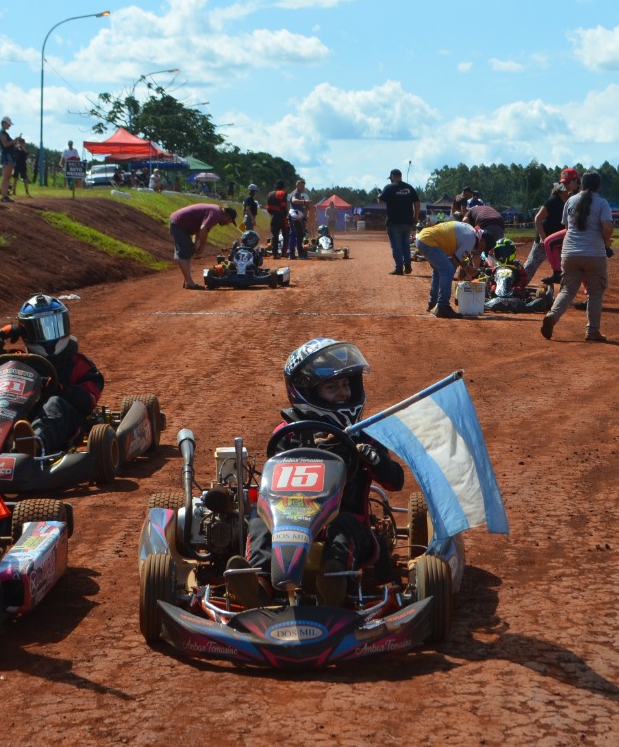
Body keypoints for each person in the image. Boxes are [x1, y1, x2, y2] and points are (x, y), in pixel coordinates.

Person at [229, 338, 404, 609]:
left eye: (346, 385)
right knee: (261, 521)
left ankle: (333, 584)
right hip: (290, 519)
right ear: (306, 393)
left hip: (348, 522)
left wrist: (373, 459)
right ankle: (259, 584)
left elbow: (395, 481)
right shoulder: (286, 434)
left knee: (342, 529)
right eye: (332, 387)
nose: (343, 394)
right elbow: (272, 485)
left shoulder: (363, 435)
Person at [0, 294, 105, 456]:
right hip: (18, 415)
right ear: (26, 333)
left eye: (54, 327)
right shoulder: (17, 359)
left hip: (61, 422)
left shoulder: (77, 364)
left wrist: (61, 389)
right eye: (40, 329)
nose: (48, 337)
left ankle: (35, 445)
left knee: (55, 403)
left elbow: (87, 401)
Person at [540, 172, 613, 343]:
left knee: (567, 290)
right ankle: (592, 331)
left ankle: (552, 316)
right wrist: (606, 242)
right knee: (595, 292)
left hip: (570, 252)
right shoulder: (602, 203)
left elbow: (566, 226)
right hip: (594, 254)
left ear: (581, 184)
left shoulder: (570, 201)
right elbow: (608, 227)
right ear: (598, 186)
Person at [414, 219, 482, 319]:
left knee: (439, 270)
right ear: (482, 241)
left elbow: (457, 256)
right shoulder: (471, 239)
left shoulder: (469, 231)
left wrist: (466, 267)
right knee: (447, 270)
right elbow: (454, 263)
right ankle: (442, 306)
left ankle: (433, 303)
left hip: (424, 238)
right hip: (429, 241)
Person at [522, 168, 578, 283]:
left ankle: (564, 295)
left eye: (567, 183)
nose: (566, 186)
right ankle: (516, 288)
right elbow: (538, 219)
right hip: (543, 242)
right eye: (564, 184)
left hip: (559, 243)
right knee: (530, 267)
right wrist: (544, 239)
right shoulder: (553, 201)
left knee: (564, 270)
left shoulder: (571, 201)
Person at [170, 202, 238, 289]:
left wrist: (195, 243)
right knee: (183, 252)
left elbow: (200, 228)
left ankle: (187, 280)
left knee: (188, 250)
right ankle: (189, 283)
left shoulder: (216, 211)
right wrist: (202, 247)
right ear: (228, 216)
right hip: (179, 222)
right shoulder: (216, 214)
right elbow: (203, 229)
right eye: (229, 221)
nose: (227, 224)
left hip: (180, 223)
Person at [378, 168, 420, 275]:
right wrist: (416, 217)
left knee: (396, 246)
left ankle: (399, 268)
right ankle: (408, 265)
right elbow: (417, 202)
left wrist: (379, 195)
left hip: (394, 222)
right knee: (406, 244)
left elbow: (381, 201)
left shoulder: (389, 187)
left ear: (392, 176)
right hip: (407, 222)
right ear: (400, 176)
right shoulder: (409, 188)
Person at [289, 180, 312, 259]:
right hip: (294, 216)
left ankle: (298, 253)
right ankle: (294, 253)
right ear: (297, 186)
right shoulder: (295, 193)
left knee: (300, 235)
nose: (303, 187)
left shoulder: (299, 194)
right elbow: (294, 201)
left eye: (303, 186)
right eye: (301, 186)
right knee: (295, 234)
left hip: (298, 216)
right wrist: (304, 201)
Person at [266, 183, 290, 257]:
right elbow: (284, 206)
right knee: (286, 235)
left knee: (275, 236)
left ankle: (275, 253)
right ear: (283, 187)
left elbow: (268, 208)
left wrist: (273, 213)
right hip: (282, 217)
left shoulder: (270, 194)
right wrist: (286, 213)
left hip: (274, 217)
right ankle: (283, 252)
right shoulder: (283, 193)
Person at [0, 116, 17, 202]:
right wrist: (14, 141)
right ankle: (4, 196)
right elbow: (5, 144)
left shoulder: (3, 132)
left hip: (8, 155)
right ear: (5, 123)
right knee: (6, 177)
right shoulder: (2, 133)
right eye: (9, 124)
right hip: (7, 156)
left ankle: (5, 195)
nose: (9, 126)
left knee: (7, 177)